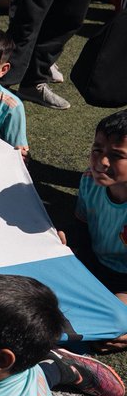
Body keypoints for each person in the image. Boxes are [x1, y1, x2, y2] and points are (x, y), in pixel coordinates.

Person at [71, 109, 127, 350]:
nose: (102, 162)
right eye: (97, 150)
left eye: (116, 155)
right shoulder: (88, 182)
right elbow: (81, 230)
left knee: (113, 325)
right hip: (94, 267)